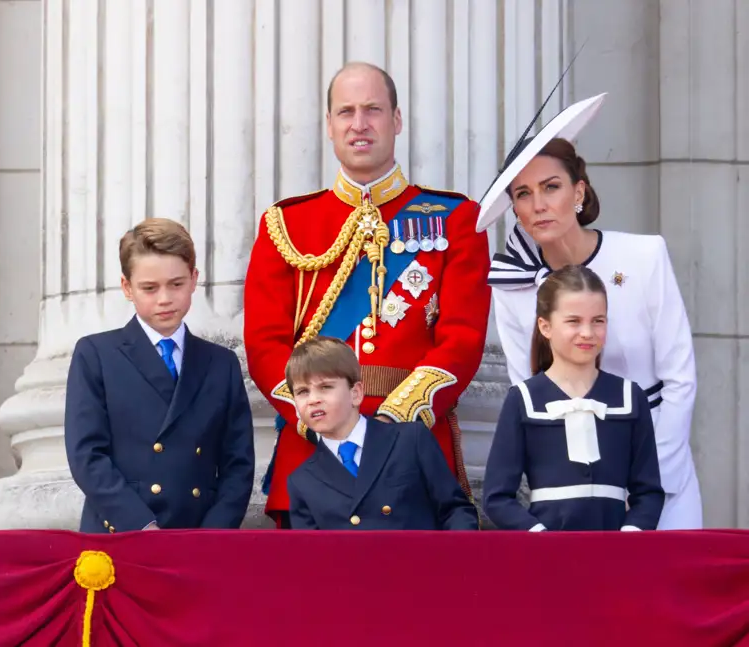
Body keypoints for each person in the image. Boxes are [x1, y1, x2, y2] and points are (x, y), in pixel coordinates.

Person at [244, 61, 491, 527]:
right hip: (314, 452)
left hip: (412, 451)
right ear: (330, 125)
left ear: (396, 120)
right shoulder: (285, 225)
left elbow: (461, 337)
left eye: (373, 110)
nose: (359, 124)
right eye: (346, 112)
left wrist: (392, 427)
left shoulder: (456, 219)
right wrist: (325, 418)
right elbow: (263, 345)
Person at [479, 124, 701, 530]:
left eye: (551, 187)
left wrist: (649, 482)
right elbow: (526, 388)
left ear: (578, 192)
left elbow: (680, 379)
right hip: (573, 491)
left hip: (659, 476)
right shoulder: (512, 286)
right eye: (523, 194)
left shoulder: (644, 255)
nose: (538, 205)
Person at [65, 218, 255, 533]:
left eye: (176, 284)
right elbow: (87, 456)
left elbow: (238, 464)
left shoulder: (221, 363)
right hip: (122, 534)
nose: (164, 299)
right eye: (149, 288)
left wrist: (211, 536)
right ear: (127, 287)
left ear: (195, 280)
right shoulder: (96, 354)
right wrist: (141, 526)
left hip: (198, 539)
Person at [483, 265, 665, 531]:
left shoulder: (630, 396)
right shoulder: (523, 398)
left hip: (616, 555)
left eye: (598, 320)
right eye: (573, 321)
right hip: (546, 557)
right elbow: (497, 497)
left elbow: (648, 492)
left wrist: (631, 535)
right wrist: (538, 536)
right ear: (545, 326)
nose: (587, 333)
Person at [286, 336, 479, 530]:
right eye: (302, 392)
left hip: (421, 559)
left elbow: (455, 511)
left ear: (356, 393)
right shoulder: (302, 481)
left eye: (325, 387)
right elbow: (311, 555)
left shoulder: (410, 440)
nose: (313, 400)